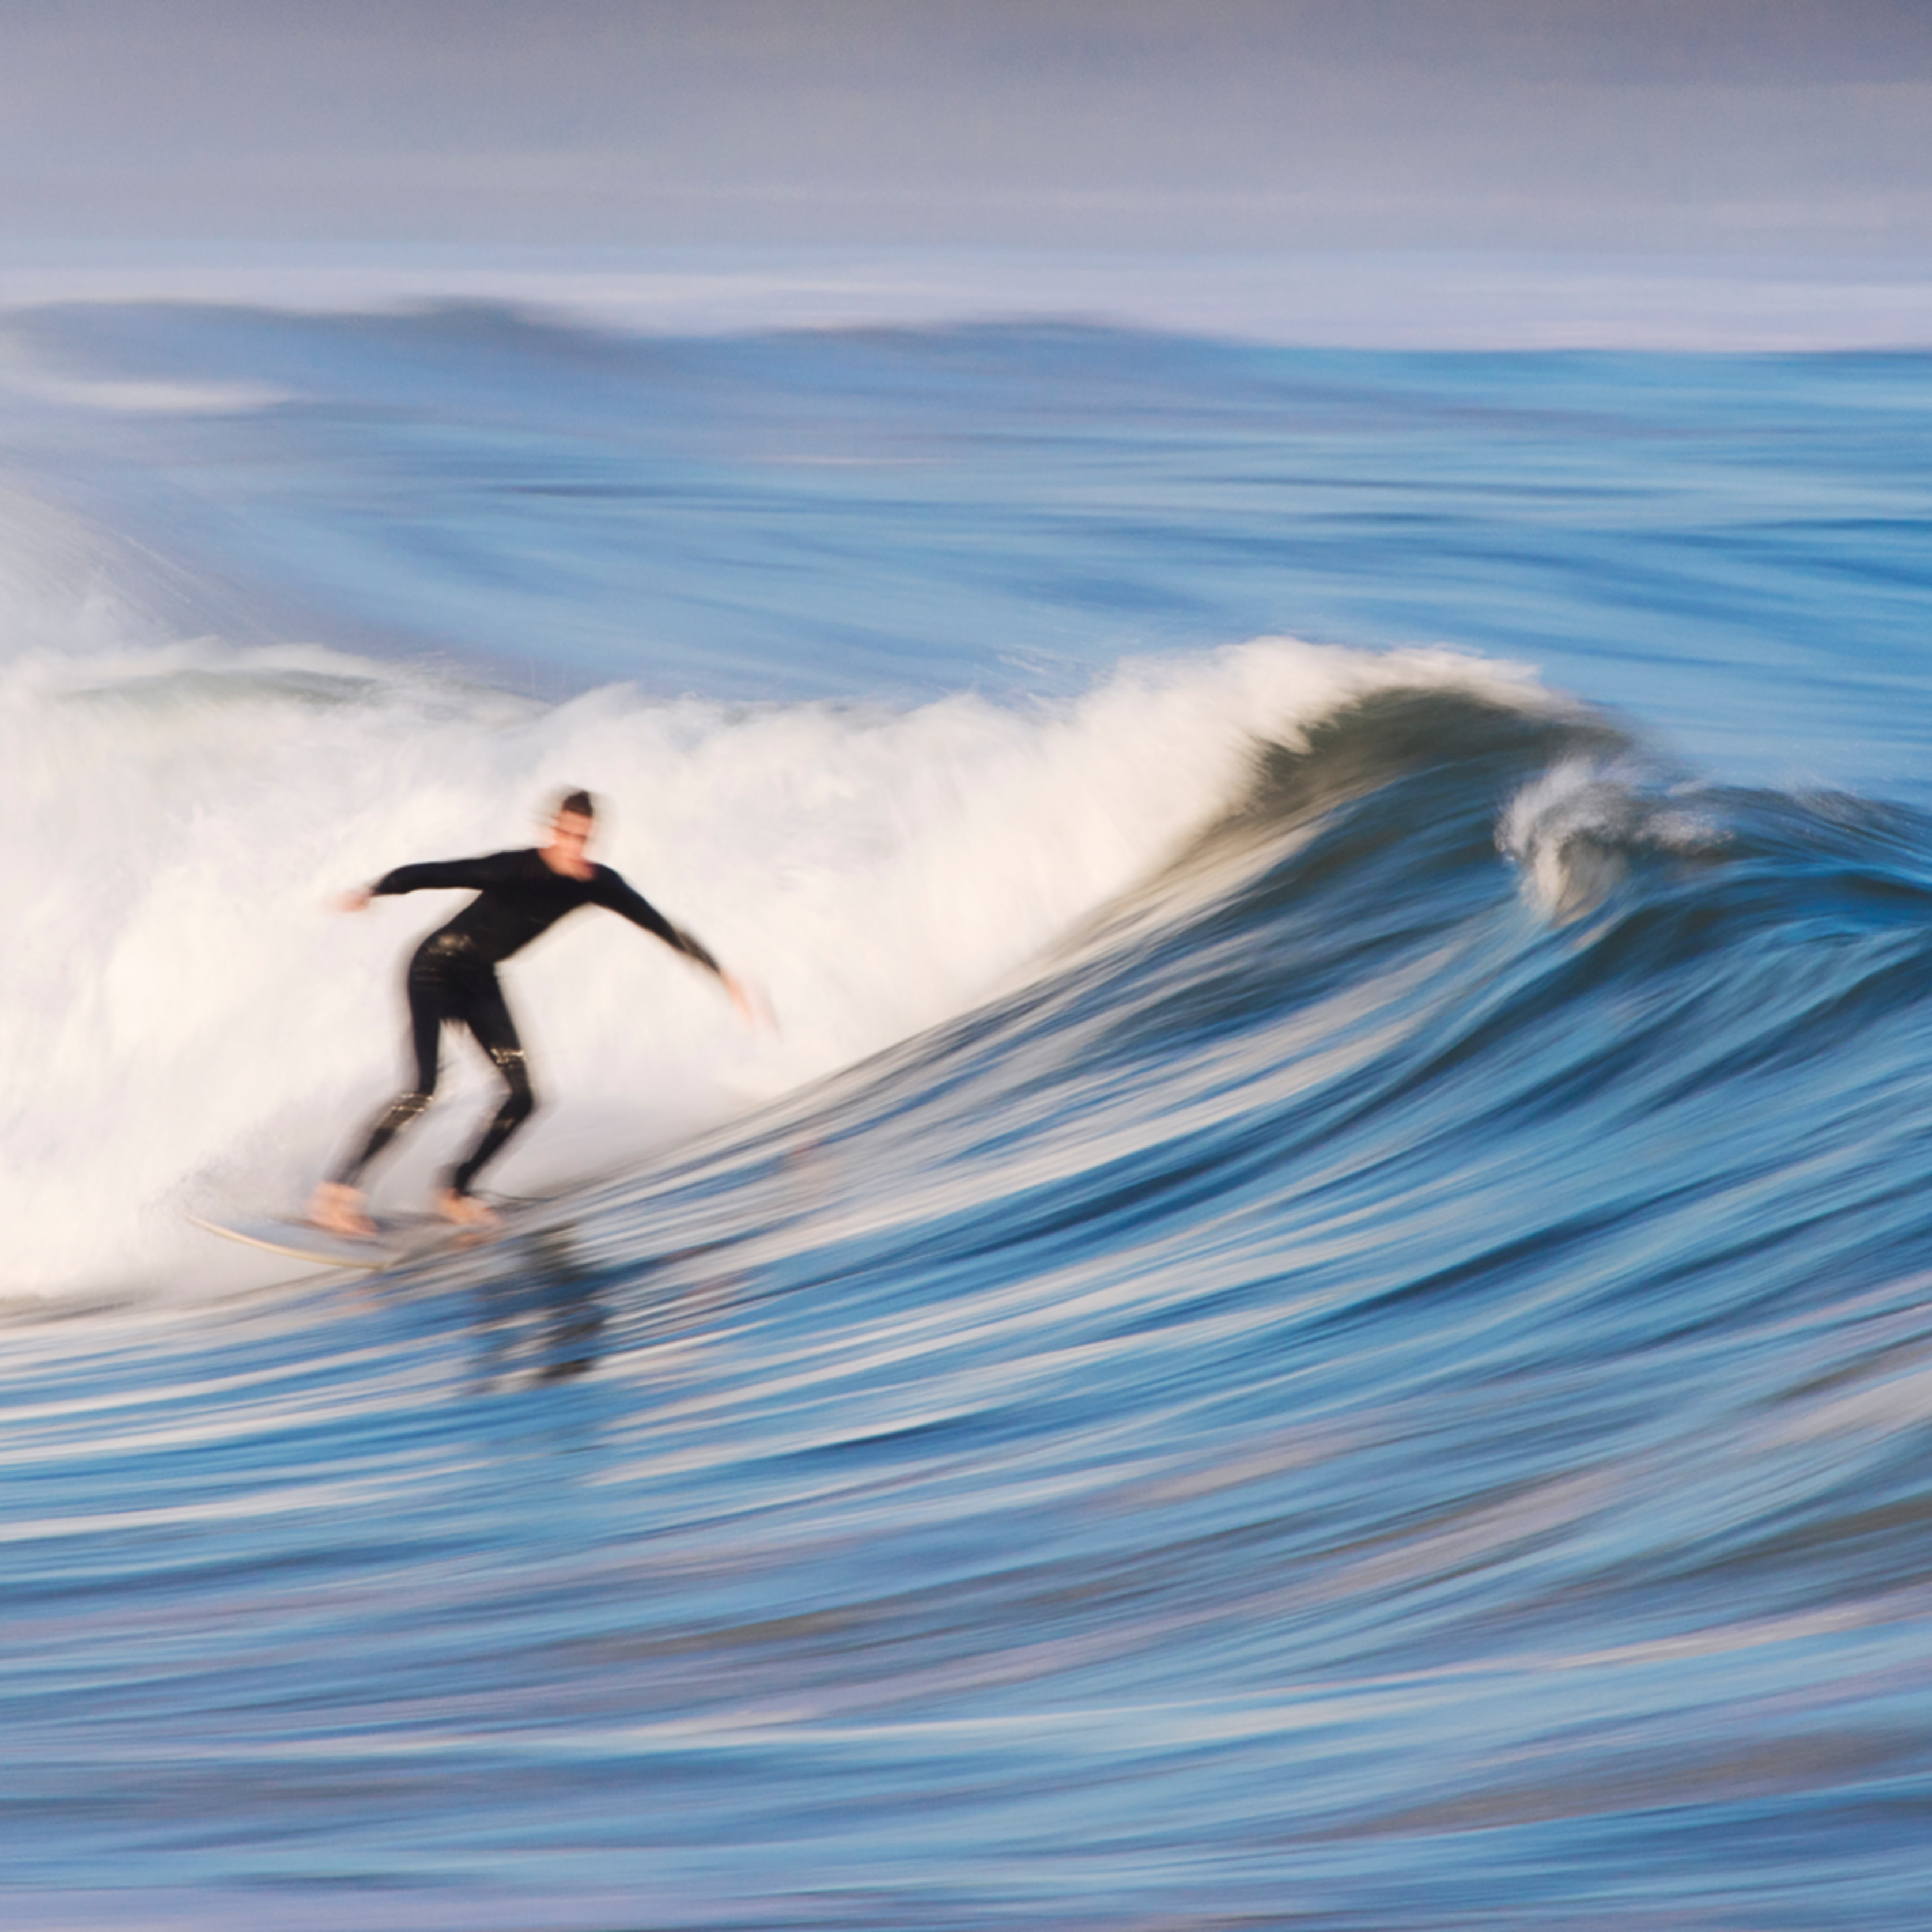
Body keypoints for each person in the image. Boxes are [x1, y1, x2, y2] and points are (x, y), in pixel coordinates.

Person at [310, 789, 751, 1237]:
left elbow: (658, 923)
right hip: (435, 967)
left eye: (584, 838)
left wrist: (720, 973)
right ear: (551, 831)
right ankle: (336, 1193)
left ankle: (455, 1190)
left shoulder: (598, 883)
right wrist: (374, 889)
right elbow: (434, 873)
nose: (574, 847)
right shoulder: (514, 867)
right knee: (425, 1088)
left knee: (524, 1096)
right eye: (567, 835)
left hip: (481, 976)